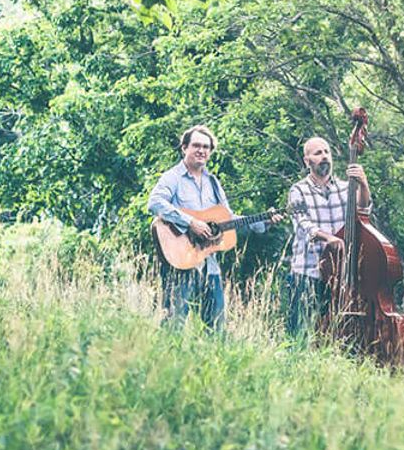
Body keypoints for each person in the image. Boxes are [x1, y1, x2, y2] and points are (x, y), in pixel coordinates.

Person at [145, 125, 272, 332]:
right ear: (184, 148)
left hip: (209, 264)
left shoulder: (213, 182)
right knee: (173, 326)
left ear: (210, 152)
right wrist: (191, 222)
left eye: (206, 147)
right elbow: (155, 202)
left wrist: (263, 220)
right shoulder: (173, 177)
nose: (201, 150)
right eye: (196, 145)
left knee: (216, 328)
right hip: (181, 262)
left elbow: (227, 218)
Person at [283, 135, 372, 338]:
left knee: (334, 333)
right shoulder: (298, 190)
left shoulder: (345, 187)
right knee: (300, 332)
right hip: (308, 271)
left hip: (341, 273)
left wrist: (363, 185)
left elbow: (363, 212)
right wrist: (328, 238)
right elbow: (304, 224)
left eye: (326, 152)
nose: (324, 157)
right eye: (318, 153)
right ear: (307, 161)